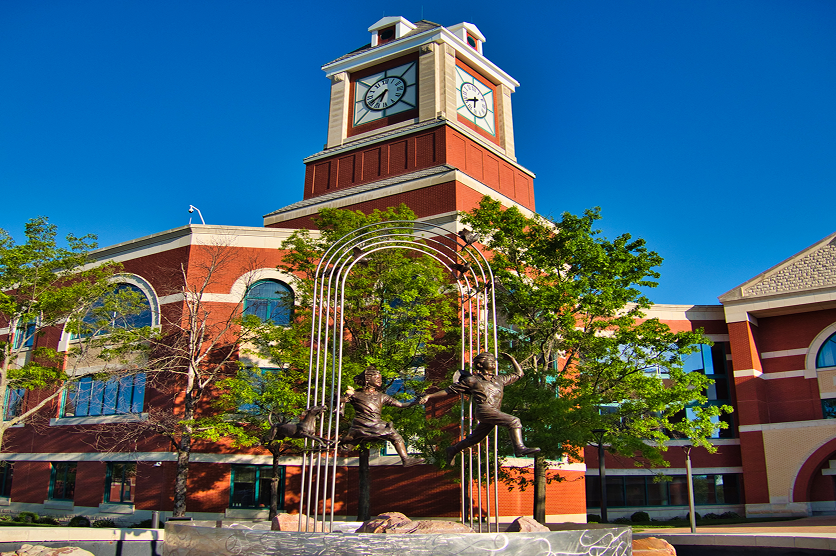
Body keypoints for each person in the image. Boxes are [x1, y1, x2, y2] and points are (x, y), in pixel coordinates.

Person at [419, 351, 540, 466]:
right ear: (480, 364)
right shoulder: (472, 380)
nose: (493, 362)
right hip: (484, 410)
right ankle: (519, 448)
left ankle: (453, 449)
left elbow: (519, 374)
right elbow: (449, 390)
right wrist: (429, 396)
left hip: (494, 412)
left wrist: (513, 360)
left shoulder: (499, 379)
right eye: (489, 360)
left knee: (474, 439)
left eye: (494, 360)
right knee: (514, 421)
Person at [338, 366, 424, 467]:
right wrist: (347, 396)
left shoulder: (381, 396)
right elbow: (339, 400)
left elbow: (400, 404)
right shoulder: (356, 394)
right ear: (368, 379)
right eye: (377, 378)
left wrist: (416, 402)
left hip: (360, 427)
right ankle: (405, 459)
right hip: (371, 425)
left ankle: (325, 446)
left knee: (346, 448)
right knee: (395, 436)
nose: (380, 381)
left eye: (380, 379)